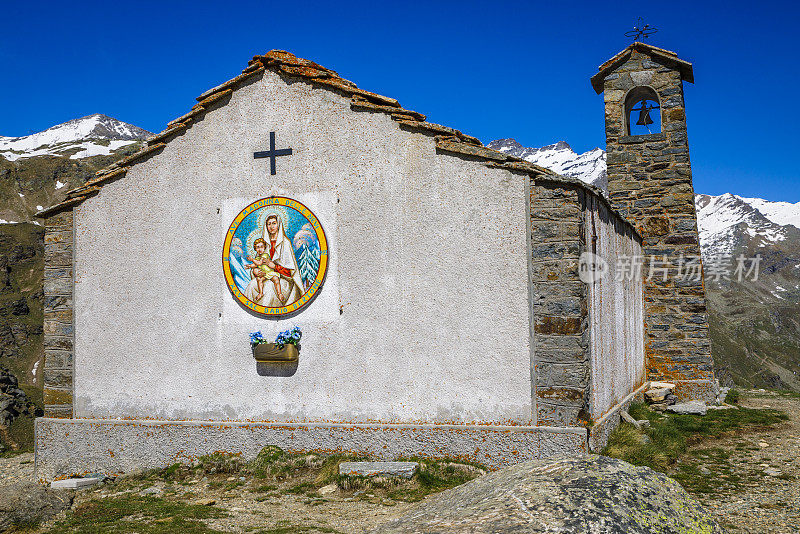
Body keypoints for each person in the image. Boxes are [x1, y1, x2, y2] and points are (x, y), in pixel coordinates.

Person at [244, 213, 304, 308]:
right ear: (266, 226)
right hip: (265, 277)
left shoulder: (285, 243)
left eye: (274, 223)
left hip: (283, 280)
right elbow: (257, 264)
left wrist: (274, 266)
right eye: (269, 224)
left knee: (270, 288)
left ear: (278, 224)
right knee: (252, 285)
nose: (271, 226)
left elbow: (291, 273)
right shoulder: (263, 244)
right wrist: (256, 271)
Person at [244, 238, 284, 303]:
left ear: (264, 248)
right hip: (264, 274)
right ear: (255, 249)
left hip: (270, 272)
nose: (260, 249)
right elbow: (255, 265)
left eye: (261, 247)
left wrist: (252, 260)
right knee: (259, 280)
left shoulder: (265, 255)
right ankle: (261, 293)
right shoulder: (257, 258)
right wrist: (249, 266)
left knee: (276, 279)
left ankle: (279, 293)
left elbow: (259, 263)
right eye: (257, 247)